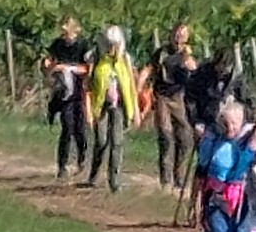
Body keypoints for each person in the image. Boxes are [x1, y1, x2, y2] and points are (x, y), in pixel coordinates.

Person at [194, 97, 255, 232]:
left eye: (234, 123)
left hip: (241, 203)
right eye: (226, 123)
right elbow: (201, 170)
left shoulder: (248, 144)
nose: (230, 128)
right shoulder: (213, 142)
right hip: (216, 201)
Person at [84, 26, 140, 193]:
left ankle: (114, 181)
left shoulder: (125, 60)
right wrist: (88, 110)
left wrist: (136, 111)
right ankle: (93, 174)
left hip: (120, 106)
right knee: (101, 141)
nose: (112, 48)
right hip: (100, 106)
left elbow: (131, 84)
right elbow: (87, 86)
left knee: (117, 142)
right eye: (109, 44)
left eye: (115, 44)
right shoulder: (96, 58)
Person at [143, 22, 198, 189]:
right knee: (166, 135)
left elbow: (194, 69)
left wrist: (186, 57)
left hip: (180, 96)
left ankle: (179, 176)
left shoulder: (186, 55)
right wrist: (140, 86)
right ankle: (165, 179)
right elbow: (149, 69)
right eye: (177, 34)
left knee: (185, 138)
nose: (178, 38)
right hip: (163, 96)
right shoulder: (162, 53)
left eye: (182, 35)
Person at [42, 16, 95, 182]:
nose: (65, 33)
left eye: (68, 29)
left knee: (79, 129)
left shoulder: (83, 45)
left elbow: (88, 68)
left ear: (75, 30)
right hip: (64, 93)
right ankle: (62, 165)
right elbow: (49, 60)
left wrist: (69, 68)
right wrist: (49, 65)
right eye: (63, 30)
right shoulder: (58, 44)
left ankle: (82, 157)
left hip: (79, 92)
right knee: (67, 127)